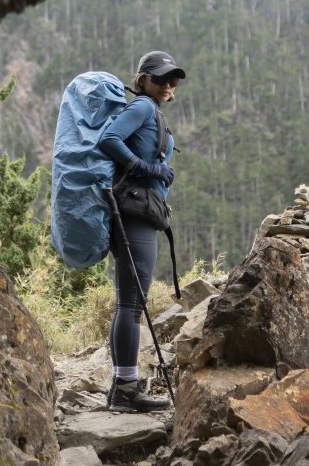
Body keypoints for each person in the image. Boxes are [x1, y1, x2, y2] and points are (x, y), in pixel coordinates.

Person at [97, 50, 185, 412]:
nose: (168, 85)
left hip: (138, 212)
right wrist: (146, 168)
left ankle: (122, 385)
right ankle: (126, 389)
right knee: (132, 304)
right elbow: (109, 139)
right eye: (161, 78)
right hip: (134, 213)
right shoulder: (143, 107)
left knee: (128, 303)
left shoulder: (152, 110)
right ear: (142, 79)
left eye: (173, 79)